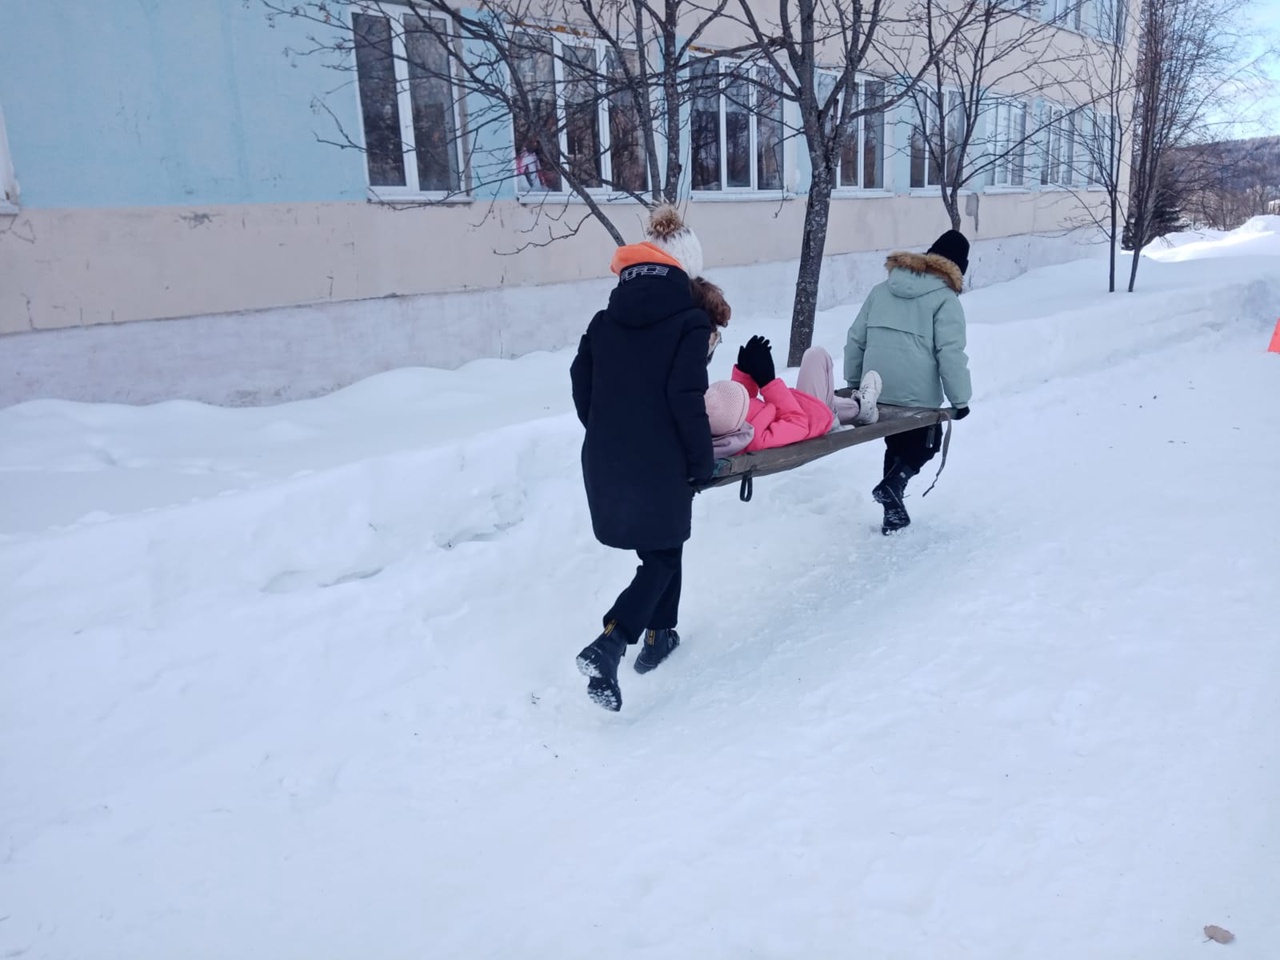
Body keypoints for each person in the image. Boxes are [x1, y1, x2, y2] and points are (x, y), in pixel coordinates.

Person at [570, 205, 713, 712]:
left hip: (606, 456)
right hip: (661, 460)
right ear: (685, 271)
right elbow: (685, 398)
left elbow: (580, 383)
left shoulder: (604, 320)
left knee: (663, 545)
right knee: (663, 554)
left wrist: (607, 431)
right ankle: (613, 641)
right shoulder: (690, 322)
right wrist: (701, 461)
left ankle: (660, 635)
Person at [844, 229, 973, 535]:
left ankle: (893, 512)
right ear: (958, 267)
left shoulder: (881, 290)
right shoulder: (946, 300)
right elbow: (950, 353)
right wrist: (960, 400)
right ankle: (894, 484)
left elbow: (856, 339)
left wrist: (857, 384)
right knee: (928, 444)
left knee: (896, 442)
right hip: (918, 396)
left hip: (876, 389)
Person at [730, 336, 882, 453]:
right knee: (816, 355)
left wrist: (744, 373)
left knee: (827, 395)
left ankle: (860, 407)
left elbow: (738, 411)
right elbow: (797, 423)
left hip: (792, 407)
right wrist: (768, 382)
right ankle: (859, 409)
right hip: (811, 418)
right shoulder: (756, 439)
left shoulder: (727, 426)